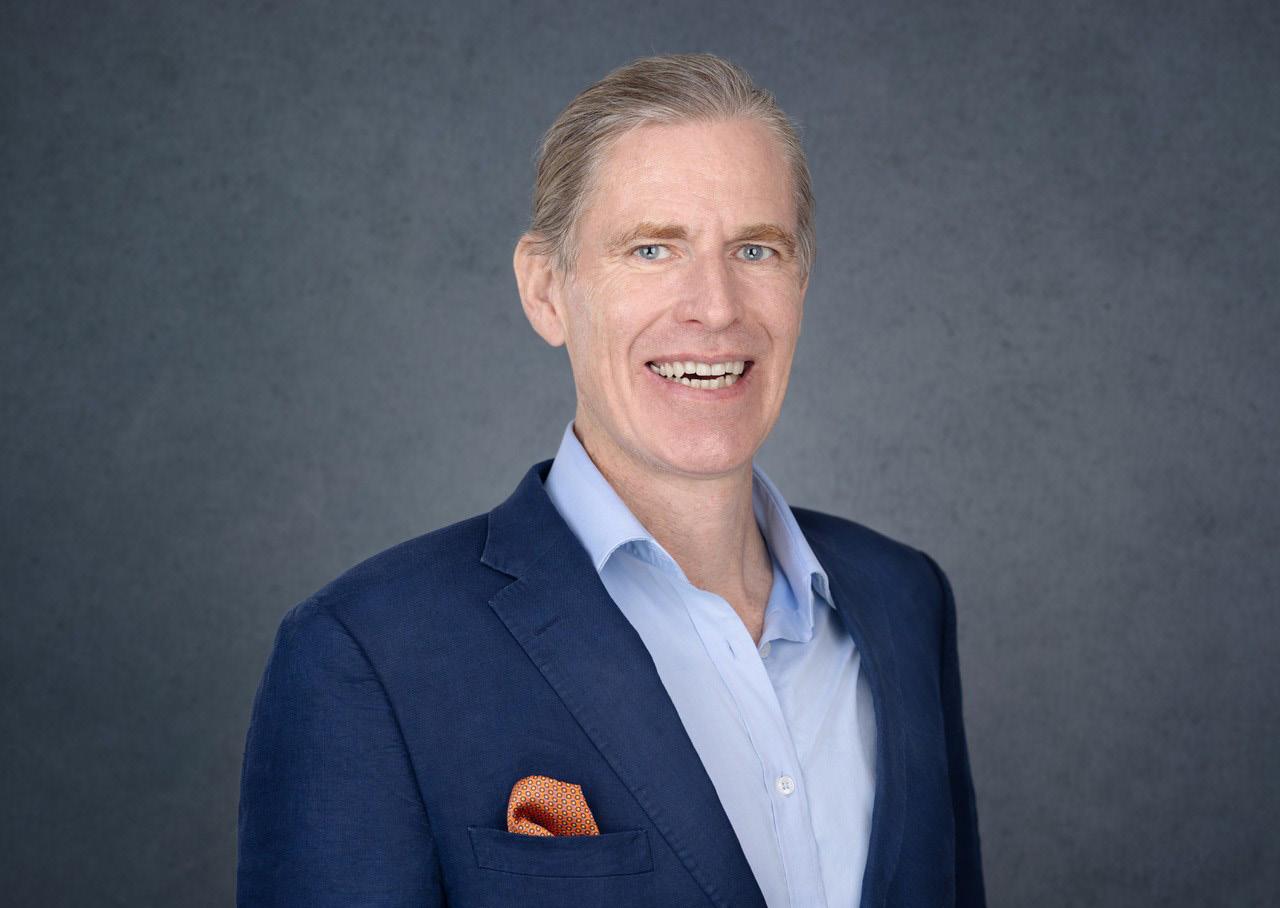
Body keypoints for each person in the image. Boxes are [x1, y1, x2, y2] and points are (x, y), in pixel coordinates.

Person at [237, 52, 985, 908]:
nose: (715, 306)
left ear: (800, 282)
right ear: (546, 290)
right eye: (653, 248)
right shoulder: (366, 653)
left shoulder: (903, 601)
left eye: (755, 249)